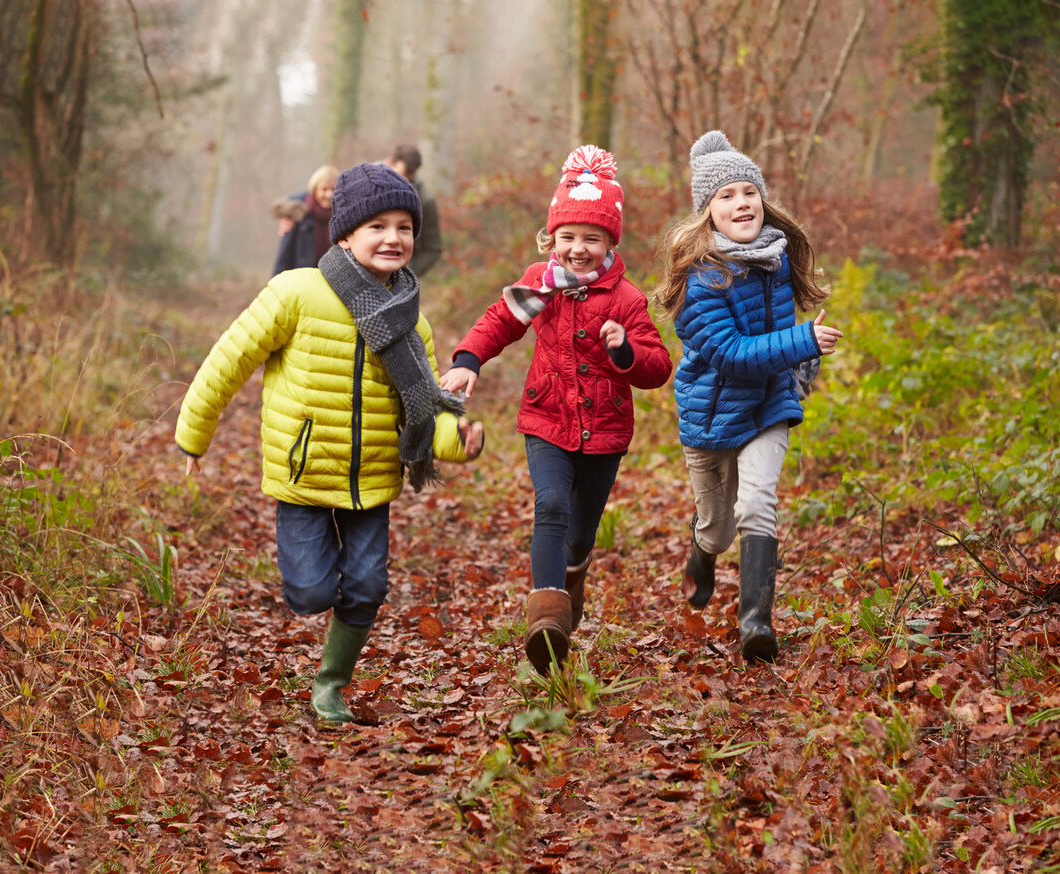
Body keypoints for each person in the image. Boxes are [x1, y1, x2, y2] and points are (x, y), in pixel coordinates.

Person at [176, 162, 484, 724]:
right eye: (377, 226)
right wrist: (194, 435)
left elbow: (427, 408)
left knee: (366, 587)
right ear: (345, 233)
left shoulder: (413, 321)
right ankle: (317, 601)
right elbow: (228, 361)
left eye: (404, 228)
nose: (394, 238)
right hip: (304, 474)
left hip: (372, 479)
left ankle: (330, 685)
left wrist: (458, 436)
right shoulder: (295, 293)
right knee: (311, 593)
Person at [441, 145, 672, 675]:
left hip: (606, 429)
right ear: (552, 239)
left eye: (592, 238)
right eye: (568, 237)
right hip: (547, 419)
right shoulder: (540, 284)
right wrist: (470, 359)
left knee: (582, 530)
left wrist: (624, 351)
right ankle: (545, 614)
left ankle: (573, 577)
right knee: (550, 506)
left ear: (610, 242)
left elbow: (657, 367)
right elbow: (501, 319)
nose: (578, 249)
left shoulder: (627, 299)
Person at [653, 130, 843, 664]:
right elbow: (733, 353)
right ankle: (703, 549)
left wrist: (802, 360)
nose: (741, 203)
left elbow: (777, 338)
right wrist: (801, 340)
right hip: (712, 415)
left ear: (763, 199)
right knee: (718, 527)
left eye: (748, 192)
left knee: (757, 502)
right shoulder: (700, 281)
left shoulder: (777, 259)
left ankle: (756, 621)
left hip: (768, 406)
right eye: (726, 196)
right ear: (706, 212)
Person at [385, 144, 443, 277]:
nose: (404, 180)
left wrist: (407, 273)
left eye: (409, 175)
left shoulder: (425, 201)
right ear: (390, 162)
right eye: (401, 173)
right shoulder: (365, 184)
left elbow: (432, 248)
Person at [270, 164, 339, 275]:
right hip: (301, 281)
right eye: (324, 189)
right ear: (314, 190)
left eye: (333, 189)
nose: (329, 194)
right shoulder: (298, 214)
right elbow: (285, 255)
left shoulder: (343, 217)